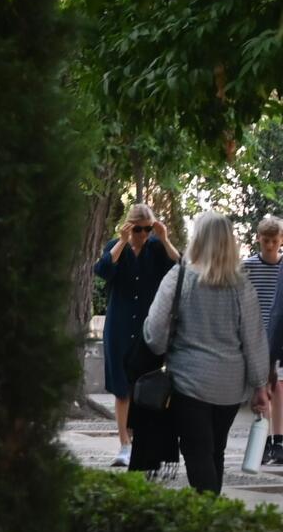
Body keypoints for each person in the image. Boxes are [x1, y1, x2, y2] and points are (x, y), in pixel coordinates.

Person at [144, 210, 274, 494]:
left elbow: (154, 335)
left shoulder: (179, 278)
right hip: (230, 388)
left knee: (196, 450)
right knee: (216, 449)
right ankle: (213, 515)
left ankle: (208, 519)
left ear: (197, 239)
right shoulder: (242, 286)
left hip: (189, 383)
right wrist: (260, 386)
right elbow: (254, 340)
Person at [95, 203, 178, 467]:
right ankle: (124, 443)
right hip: (120, 328)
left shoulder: (156, 248)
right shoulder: (115, 247)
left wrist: (164, 239)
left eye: (147, 229)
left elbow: (183, 267)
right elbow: (102, 270)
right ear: (129, 226)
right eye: (138, 229)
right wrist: (122, 241)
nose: (143, 235)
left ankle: (143, 443)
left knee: (146, 386)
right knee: (122, 388)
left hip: (148, 330)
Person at [255, 215, 283, 467]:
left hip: (277, 335)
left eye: (275, 241)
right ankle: (266, 441)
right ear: (258, 240)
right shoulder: (249, 267)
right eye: (266, 241)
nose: (271, 246)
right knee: (262, 390)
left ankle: (276, 440)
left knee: (277, 387)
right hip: (256, 335)